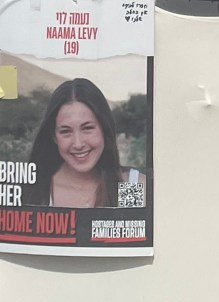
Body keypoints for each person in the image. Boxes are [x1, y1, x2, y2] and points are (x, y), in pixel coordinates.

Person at [24, 78, 146, 208]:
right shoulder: (35, 189)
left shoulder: (131, 185)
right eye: (66, 131)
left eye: (87, 128)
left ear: (104, 129)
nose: (78, 144)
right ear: (54, 136)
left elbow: (131, 222)